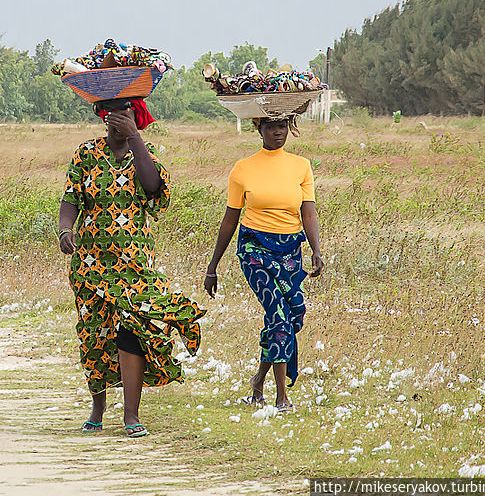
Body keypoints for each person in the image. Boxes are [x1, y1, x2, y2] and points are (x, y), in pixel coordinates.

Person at [59, 99, 205, 437]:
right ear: (102, 115)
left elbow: (153, 187)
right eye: (111, 111)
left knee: (133, 332)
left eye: (125, 110)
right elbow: (70, 199)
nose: (117, 116)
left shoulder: (145, 151)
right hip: (91, 264)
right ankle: (98, 405)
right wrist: (66, 230)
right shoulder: (86, 154)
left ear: (135, 115)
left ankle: (131, 414)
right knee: (94, 334)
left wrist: (135, 138)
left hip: (134, 265)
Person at [204, 116, 323, 413]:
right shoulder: (243, 168)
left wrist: (316, 251)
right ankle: (281, 397)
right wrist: (212, 266)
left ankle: (258, 383)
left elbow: (308, 213)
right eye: (271, 126)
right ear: (259, 129)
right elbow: (230, 218)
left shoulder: (301, 166)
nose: (278, 131)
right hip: (255, 249)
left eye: (282, 125)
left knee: (292, 316)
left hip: (290, 251)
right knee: (278, 314)